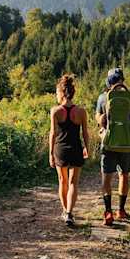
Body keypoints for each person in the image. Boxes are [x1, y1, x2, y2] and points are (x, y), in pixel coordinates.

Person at [96, 67, 130, 226]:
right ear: (122, 80)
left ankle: (108, 212)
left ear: (109, 81)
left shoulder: (103, 97)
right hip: (126, 143)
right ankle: (121, 210)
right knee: (124, 175)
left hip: (109, 143)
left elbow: (99, 119)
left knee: (106, 177)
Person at [48, 74, 91, 227]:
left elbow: (53, 133)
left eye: (56, 93)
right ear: (72, 93)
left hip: (61, 149)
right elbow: (85, 133)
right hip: (76, 149)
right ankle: (69, 213)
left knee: (62, 181)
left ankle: (65, 211)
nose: (56, 95)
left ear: (61, 93)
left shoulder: (55, 111)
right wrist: (87, 148)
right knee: (73, 182)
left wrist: (50, 154)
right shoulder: (81, 111)